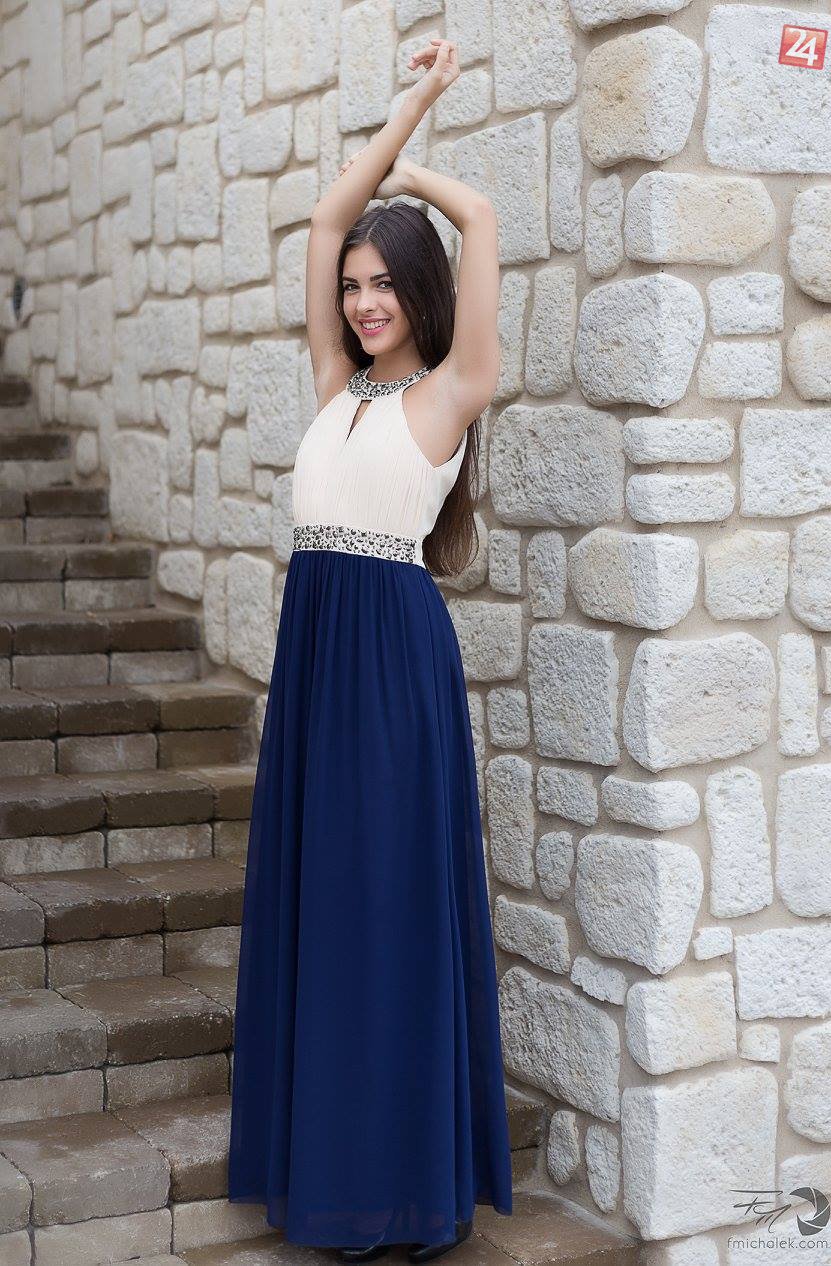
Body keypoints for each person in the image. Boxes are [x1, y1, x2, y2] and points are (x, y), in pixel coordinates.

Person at [227, 37, 513, 1264]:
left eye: (385, 283)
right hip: (316, 664)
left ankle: (397, 1188)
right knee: (327, 910)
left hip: (393, 671)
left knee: (389, 911)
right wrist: (409, 107)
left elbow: (481, 218)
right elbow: (327, 217)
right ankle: (331, 1174)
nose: (361, 300)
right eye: (353, 285)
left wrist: (418, 170)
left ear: (420, 293)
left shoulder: (449, 393)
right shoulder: (332, 384)